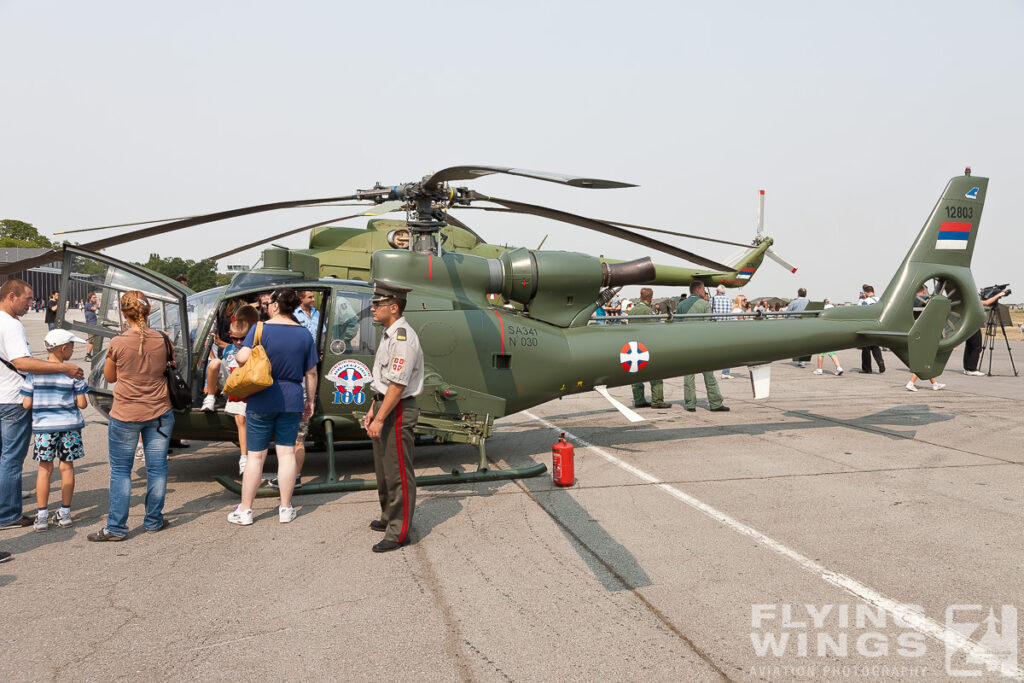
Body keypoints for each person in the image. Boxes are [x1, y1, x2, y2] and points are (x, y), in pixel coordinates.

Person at [88, 291, 175, 541]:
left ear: (124, 315)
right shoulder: (163, 339)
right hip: (159, 411)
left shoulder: (118, 342)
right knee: (157, 468)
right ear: (149, 313)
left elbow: (111, 377)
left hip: (126, 412)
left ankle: (116, 527)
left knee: (121, 471)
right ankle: (154, 520)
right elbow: (171, 368)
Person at [227, 288, 318, 526]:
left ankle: (245, 510)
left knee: (256, 457)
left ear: (276, 305)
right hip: (292, 397)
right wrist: (310, 401)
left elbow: (241, 359)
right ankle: (286, 508)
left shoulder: (259, 329)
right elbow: (311, 372)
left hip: (262, 396)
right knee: (286, 453)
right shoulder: (304, 334)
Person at [0, 279, 84, 530]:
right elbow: (22, 363)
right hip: (11, 397)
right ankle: (7, 514)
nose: (31, 304)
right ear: (11, 296)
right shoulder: (11, 325)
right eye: (27, 299)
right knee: (11, 459)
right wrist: (63, 368)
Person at [364, 280, 425, 552]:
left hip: (398, 408)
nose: (373, 307)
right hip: (385, 404)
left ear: (394, 306)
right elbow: (383, 381)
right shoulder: (389, 333)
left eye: (378, 304)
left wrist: (380, 418)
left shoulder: (403, 339)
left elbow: (398, 386)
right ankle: (389, 516)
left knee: (398, 472)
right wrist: (373, 409)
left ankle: (399, 532)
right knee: (384, 471)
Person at [21, 330, 89, 531]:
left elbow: (26, 404)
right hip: (69, 427)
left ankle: (42, 515)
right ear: (63, 348)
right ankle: (65, 513)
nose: (73, 350)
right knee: (66, 468)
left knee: (44, 469)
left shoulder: (35, 374)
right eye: (71, 347)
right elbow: (82, 403)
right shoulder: (73, 373)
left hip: (44, 428)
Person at [677, 281, 729, 413]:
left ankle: (690, 404)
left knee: (688, 377)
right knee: (709, 376)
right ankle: (715, 403)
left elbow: (676, 326)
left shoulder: (681, 305)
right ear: (698, 290)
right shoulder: (705, 304)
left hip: (687, 345)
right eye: (703, 289)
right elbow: (708, 326)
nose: (704, 292)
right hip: (702, 346)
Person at [221, 313, 256, 475]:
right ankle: (244, 457)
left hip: (248, 388)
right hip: (234, 388)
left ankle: (247, 456)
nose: (239, 342)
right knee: (241, 420)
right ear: (231, 337)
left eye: (243, 338)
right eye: (236, 339)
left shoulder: (253, 350)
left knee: (245, 420)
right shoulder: (227, 350)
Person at [629, 288, 669, 409]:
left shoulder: (632, 311)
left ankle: (639, 400)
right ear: (651, 299)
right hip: (647, 346)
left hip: (634, 346)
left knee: (636, 374)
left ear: (640, 297)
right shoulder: (648, 311)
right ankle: (657, 401)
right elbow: (655, 329)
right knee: (655, 373)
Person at [962, 287, 1009, 375]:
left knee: (969, 346)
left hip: (967, 325)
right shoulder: (972, 300)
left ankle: (967, 368)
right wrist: (999, 295)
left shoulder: (966, 299)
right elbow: (987, 303)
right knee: (977, 347)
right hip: (973, 325)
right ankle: (972, 369)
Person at [907, 285, 946, 390]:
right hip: (925, 332)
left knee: (926, 361)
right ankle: (911, 383)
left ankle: (934, 384)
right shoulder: (925, 300)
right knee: (924, 360)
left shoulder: (911, 301)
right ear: (924, 290)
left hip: (914, 330)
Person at [858, 285, 885, 373]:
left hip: (868, 325)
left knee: (865, 348)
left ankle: (867, 368)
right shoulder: (880, 300)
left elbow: (860, 312)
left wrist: (860, 299)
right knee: (875, 346)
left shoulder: (866, 301)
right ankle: (880, 361)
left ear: (865, 292)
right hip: (878, 325)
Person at [710, 285, 733, 378]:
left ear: (717, 291)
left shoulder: (713, 299)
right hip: (726, 326)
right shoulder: (729, 299)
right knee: (727, 350)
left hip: (716, 326)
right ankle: (725, 372)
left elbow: (710, 311)